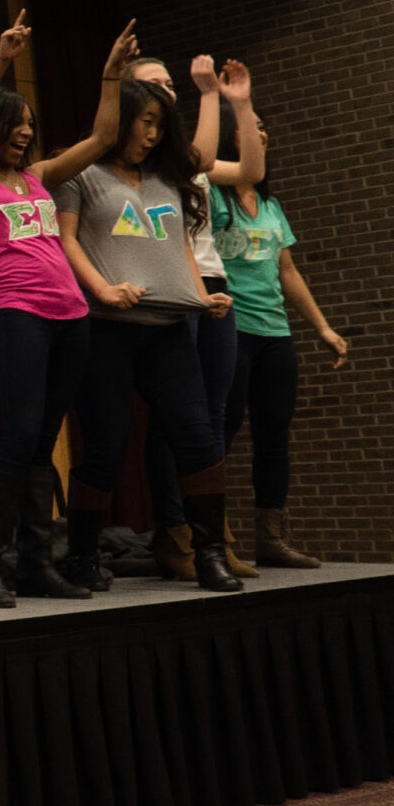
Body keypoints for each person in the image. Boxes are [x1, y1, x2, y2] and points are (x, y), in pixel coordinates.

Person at [0, 14, 133, 608]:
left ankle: (36, 564)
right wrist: (1, 60)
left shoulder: (39, 176)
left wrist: (110, 75)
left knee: (44, 441)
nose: (24, 133)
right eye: (14, 124)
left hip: (72, 315)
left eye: (29, 125)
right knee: (20, 435)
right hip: (19, 312)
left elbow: (102, 139)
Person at [53, 78, 238, 592]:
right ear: (120, 120)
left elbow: (181, 246)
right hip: (105, 329)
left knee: (197, 435)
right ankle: (82, 555)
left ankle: (209, 553)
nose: (153, 135)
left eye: (160, 126)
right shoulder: (80, 173)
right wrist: (102, 290)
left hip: (168, 330)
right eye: (146, 122)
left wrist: (201, 298)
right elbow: (65, 240)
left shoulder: (166, 178)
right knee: (106, 446)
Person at [130, 55, 263, 579]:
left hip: (214, 282)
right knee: (179, 416)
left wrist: (240, 104)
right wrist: (209, 94)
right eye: (153, 84)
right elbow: (202, 157)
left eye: (169, 83)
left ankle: (210, 527)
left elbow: (250, 172)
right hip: (174, 289)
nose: (167, 90)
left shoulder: (184, 155)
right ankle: (175, 530)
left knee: (219, 413)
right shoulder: (153, 159)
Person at [211, 106, 347, 569]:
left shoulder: (271, 207)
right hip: (230, 327)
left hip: (274, 333)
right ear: (230, 138)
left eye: (264, 128)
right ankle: (211, 536)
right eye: (251, 128)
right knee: (223, 429)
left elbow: (287, 271)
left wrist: (322, 327)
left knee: (274, 436)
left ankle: (271, 538)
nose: (262, 134)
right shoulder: (213, 197)